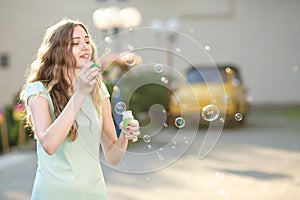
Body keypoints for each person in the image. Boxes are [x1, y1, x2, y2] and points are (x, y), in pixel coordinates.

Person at [20, 18, 140, 200]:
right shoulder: (38, 91)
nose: (85, 46)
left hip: (93, 194)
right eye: (76, 43)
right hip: (52, 194)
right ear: (57, 51)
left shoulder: (98, 89)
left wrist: (125, 135)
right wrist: (80, 93)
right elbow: (49, 144)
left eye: (86, 41)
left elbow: (113, 156)